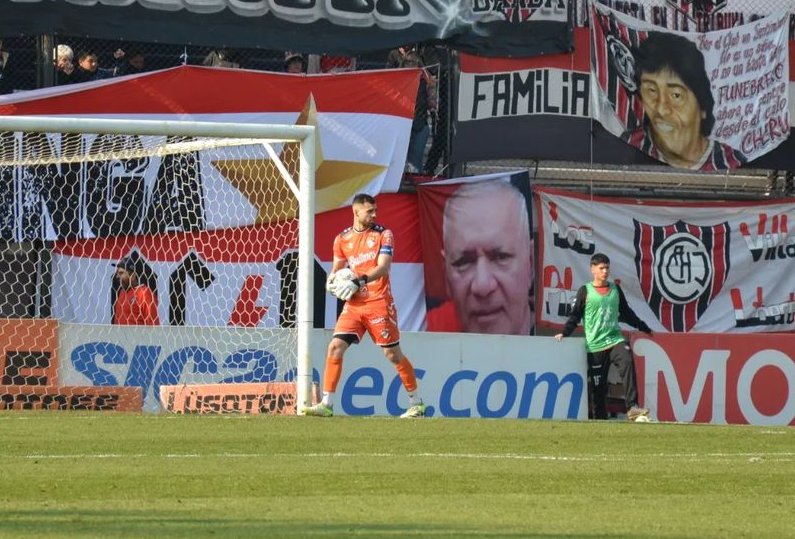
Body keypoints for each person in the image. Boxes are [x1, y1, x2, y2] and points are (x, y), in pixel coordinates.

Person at [302, 193, 426, 418]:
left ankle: (416, 403)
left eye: (375, 210)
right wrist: (331, 282)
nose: (374, 215)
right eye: (370, 211)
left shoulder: (383, 234)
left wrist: (359, 280)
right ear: (356, 211)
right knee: (335, 347)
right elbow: (337, 269)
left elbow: (383, 268)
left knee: (392, 354)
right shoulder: (342, 239)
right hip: (354, 304)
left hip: (379, 301)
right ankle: (326, 404)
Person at [623, 31, 745, 171]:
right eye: (651, 91)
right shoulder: (629, 146)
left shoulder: (732, 162)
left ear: (702, 107)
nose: (661, 110)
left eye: (676, 95)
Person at [426, 180, 534, 335]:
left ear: (530, 263)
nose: (482, 286)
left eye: (500, 257)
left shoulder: (563, 337)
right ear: (446, 275)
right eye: (463, 262)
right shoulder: (422, 332)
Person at [554, 253, 652, 422]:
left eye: (607, 268)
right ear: (593, 270)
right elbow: (575, 316)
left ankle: (633, 408)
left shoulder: (615, 289)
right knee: (598, 389)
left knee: (627, 361)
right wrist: (565, 332)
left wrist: (643, 326)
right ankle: (600, 420)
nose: (605, 271)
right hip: (595, 346)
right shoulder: (585, 291)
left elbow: (626, 313)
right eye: (601, 268)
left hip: (615, 339)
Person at [400, 51, 432, 174]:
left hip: (419, 125)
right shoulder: (399, 81)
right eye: (407, 62)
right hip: (403, 126)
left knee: (415, 163)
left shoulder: (425, 81)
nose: (410, 65)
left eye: (413, 62)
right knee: (401, 162)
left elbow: (433, 102)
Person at [112, 256, 160, 326]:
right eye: (117, 273)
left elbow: (152, 324)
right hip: (119, 336)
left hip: (137, 336)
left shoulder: (144, 293)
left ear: (133, 275)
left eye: (121, 273)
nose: (117, 276)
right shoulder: (122, 292)